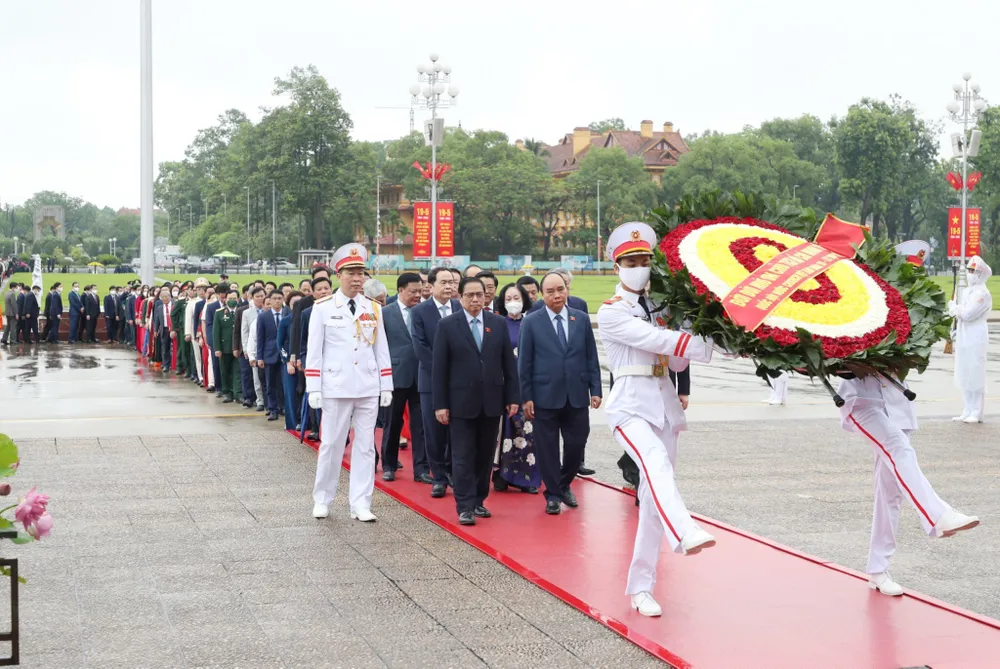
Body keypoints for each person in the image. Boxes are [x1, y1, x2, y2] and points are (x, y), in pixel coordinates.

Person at [598, 222, 716, 618]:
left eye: (644, 261)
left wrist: (702, 322)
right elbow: (657, 341)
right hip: (630, 406)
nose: (638, 268)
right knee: (654, 462)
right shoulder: (612, 311)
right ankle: (684, 529)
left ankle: (641, 587)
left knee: (651, 499)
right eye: (630, 262)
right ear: (617, 267)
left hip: (663, 405)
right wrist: (708, 345)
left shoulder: (662, 308)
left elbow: (677, 361)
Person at [306, 243, 393, 522]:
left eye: (360, 273)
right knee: (331, 444)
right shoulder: (322, 308)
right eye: (351, 273)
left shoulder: (373, 308)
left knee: (366, 446)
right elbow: (314, 351)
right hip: (336, 385)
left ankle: (360, 503)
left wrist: (386, 384)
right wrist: (314, 387)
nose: (357, 279)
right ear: (338, 275)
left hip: (367, 385)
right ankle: (323, 498)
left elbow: (381, 349)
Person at [432, 276, 520, 526]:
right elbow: (439, 369)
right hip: (460, 402)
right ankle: (465, 505)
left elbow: (508, 364)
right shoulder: (447, 325)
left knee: (484, 455)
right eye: (469, 295)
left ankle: (479, 499)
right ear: (460, 297)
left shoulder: (497, 323)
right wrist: (440, 404)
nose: (475, 299)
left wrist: (513, 397)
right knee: (462, 456)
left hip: (491, 401)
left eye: (479, 295)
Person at [519, 272, 602, 514]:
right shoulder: (532, 321)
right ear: (541, 295)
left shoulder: (581, 318)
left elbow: (591, 356)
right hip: (544, 395)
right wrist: (526, 397)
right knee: (547, 449)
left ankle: (564, 484)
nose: (557, 295)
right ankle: (553, 494)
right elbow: (524, 362)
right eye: (550, 291)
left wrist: (595, 389)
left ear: (567, 290)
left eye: (560, 289)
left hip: (576, 393)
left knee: (577, 443)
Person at [410, 267, 463, 499]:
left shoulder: (460, 307)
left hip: (459, 381)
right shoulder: (420, 311)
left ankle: (455, 473)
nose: (449, 286)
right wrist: (443, 371)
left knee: (458, 431)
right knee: (433, 432)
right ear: (431, 285)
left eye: (452, 282)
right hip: (430, 380)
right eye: (444, 282)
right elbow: (420, 347)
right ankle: (439, 477)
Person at [380, 273, 430, 483]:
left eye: (420, 291)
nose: (417, 295)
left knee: (421, 425)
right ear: (400, 290)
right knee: (392, 422)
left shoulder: (425, 311)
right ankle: (389, 465)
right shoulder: (385, 313)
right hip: (395, 375)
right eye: (413, 292)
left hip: (422, 375)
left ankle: (421, 469)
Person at [492, 283, 540, 494]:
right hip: (504, 385)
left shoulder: (532, 323)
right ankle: (501, 475)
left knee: (527, 431)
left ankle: (527, 478)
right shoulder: (497, 324)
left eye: (517, 298)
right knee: (505, 431)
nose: (513, 303)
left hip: (528, 384)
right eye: (508, 299)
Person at [949, 255, 992, 423]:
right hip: (964, 333)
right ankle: (967, 409)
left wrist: (955, 309)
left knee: (975, 371)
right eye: (969, 270)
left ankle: (976, 411)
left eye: (973, 271)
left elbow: (968, 314)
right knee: (964, 370)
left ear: (980, 274)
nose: (970, 274)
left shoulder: (983, 294)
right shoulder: (967, 291)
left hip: (976, 334)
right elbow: (963, 313)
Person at [256, 289, 285, 421]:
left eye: (280, 298)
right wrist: (260, 357)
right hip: (269, 354)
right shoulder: (263, 316)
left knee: (283, 383)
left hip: (285, 354)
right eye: (275, 299)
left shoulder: (288, 313)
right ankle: (272, 409)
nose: (277, 301)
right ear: (270, 300)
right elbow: (260, 338)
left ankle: (283, 407)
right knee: (270, 383)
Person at [278, 291, 304, 430]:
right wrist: (287, 361)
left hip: (305, 362)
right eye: (294, 303)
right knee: (291, 394)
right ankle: (293, 423)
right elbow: (280, 344)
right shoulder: (285, 321)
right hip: (290, 364)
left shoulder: (308, 318)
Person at [212, 290, 240, 403]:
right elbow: (216, 332)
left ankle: (238, 393)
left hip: (238, 347)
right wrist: (217, 348)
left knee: (237, 371)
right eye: (230, 298)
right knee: (225, 371)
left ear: (238, 299)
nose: (232, 300)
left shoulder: (241, 311)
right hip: (225, 346)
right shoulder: (219, 313)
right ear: (225, 299)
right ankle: (227, 392)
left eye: (234, 298)